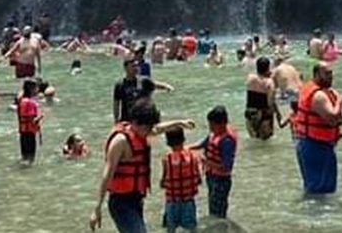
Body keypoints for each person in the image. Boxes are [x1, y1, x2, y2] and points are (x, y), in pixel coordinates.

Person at [89, 99, 196, 233]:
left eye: (150, 128)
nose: (149, 132)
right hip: (120, 203)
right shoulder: (120, 142)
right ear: (135, 122)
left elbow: (158, 129)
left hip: (136, 200)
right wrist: (97, 208)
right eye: (146, 128)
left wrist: (179, 123)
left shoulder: (140, 131)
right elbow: (108, 173)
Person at [294, 63, 342, 195]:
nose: (330, 77)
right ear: (316, 75)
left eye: (331, 73)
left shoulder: (311, 89)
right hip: (314, 144)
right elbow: (332, 117)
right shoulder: (319, 95)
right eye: (326, 74)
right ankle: (316, 215)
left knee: (322, 188)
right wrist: (339, 100)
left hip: (315, 143)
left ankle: (318, 213)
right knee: (319, 189)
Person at [194, 105, 237, 219]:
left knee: (218, 212)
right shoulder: (214, 134)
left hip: (221, 180)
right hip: (211, 177)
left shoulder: (227, 140)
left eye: (212, 125)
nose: (210, 127)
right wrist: (185, 148)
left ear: (222, 124)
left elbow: (226, 167)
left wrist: (207, 162)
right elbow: (202, 144)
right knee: (212, 209)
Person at [160, 128, 201, 232]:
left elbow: (163, 181)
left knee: (171, 228)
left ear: (168, 143)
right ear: (184, 139)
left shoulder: (166, 159)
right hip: (188, 200)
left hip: (172, 201)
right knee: (191, 228)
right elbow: (199, 179)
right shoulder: (193, 157)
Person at [114, 58, 173, 123]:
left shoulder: (143, 80)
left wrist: (167, 87)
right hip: (127, 119)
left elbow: (155, 84)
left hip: (142, 118)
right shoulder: (120, 85)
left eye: (137, 66)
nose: (136, 68)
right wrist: (116, 120)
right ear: (126, 68)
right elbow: (116, 104)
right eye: (133, 66)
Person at [244, 56, 281, 140]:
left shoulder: (250, 78)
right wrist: (277, 113)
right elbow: (270, 102)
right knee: (265, 143)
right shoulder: (269, 83)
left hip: (250, 113)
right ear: (268, 68)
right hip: (263, 115)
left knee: (253, 140)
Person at [17, 78, 43, 164]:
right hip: (29, 133)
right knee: (31, 158)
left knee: (24, 157)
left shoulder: (22, 101)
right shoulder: (30, 102)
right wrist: (40, 117)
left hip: (23, 133)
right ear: (31, 89)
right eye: (36, 87)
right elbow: (32, 120)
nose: (38, 89)